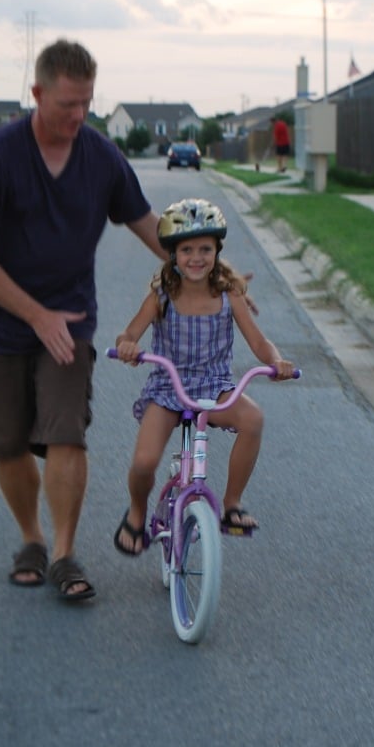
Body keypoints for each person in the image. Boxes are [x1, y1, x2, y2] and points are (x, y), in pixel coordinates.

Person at [0, 38, 167, 601]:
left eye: (87, 104)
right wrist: (34, 313)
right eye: (67, 104)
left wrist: (213, 270)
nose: (78, 116)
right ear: (38, 93)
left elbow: (147, 223)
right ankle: (32, 539)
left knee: (67, 434)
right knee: (10, 444)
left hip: (68, 323)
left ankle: (66, 555)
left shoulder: (100, 157)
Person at [112, 198, 296, 555]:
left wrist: (275, 361)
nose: (196, 258)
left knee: (253, 419)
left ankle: (232, 504)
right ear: (172, 254)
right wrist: (127, 346)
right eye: (187, 250)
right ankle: (136, 513)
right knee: (144, 462)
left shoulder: (229, 294)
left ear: (217, 251)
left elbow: (258, 340)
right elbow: (129, 333)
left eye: (205, 249)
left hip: (215, 387)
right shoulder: (161, 296)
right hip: (169, 388)